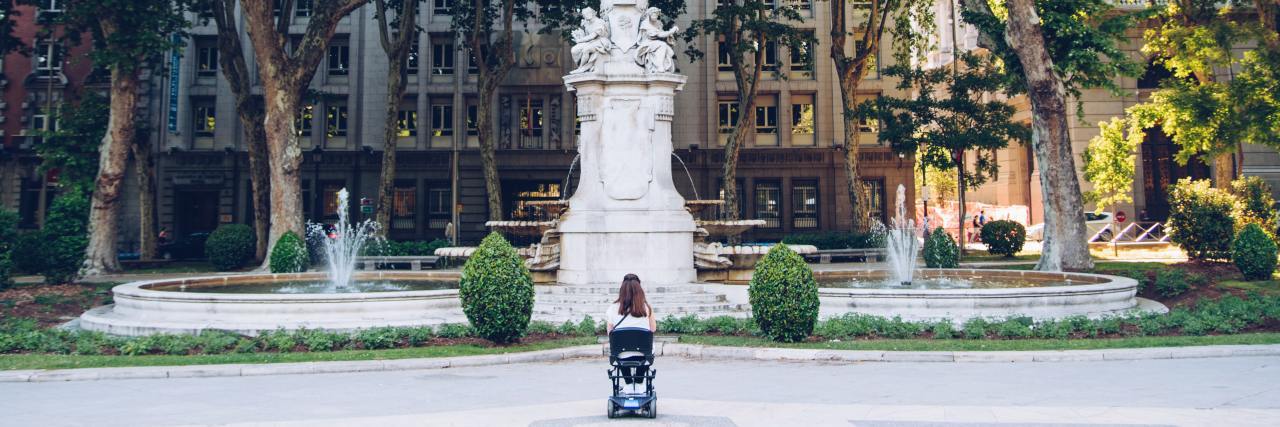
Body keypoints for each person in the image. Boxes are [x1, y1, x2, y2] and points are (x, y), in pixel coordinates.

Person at [606, 273, 656, 392]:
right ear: (640, 290)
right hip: (643, 353)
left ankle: (628, 383)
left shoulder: (612, 309)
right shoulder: (646, 308)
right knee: (648, 348)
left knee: (620, 350)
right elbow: (652, 329)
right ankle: (639, 383)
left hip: (621, 354)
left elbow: (610, 333)